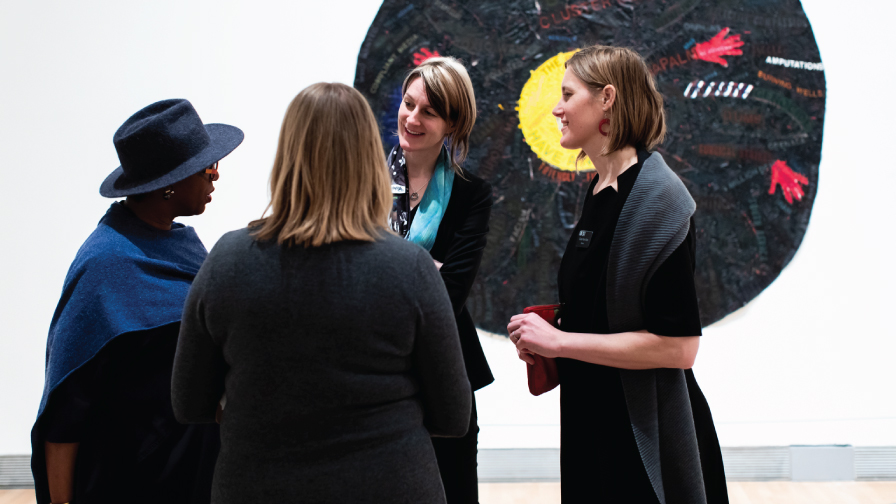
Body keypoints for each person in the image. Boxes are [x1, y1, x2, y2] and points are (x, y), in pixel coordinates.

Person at [171, 82, 472, 504]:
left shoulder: (228, 260)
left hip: (258, 487)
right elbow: (454, 415)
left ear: (288, 157)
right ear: (369, 158)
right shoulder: (410, 268)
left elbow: (188, 402)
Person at [507, 45, 729, 503]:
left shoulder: (660, 199)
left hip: (641, 429)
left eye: (568, 94)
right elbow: (605, 311)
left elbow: (679, 347)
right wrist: (549, 334)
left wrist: (561, 343)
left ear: (606, 98)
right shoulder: (600, 187)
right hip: (594, 418)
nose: (557, 108)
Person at [31, 98, 244, 504]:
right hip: (130, 483)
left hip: (193, 477)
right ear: (169, 184)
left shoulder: (182, 246)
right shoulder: (105, 266)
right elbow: (64, 413)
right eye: (204, 166)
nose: (216, 173)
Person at [387, 56, 493, 503]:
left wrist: (384, 268)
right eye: (409, 104)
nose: (412, 118)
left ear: (453, 123)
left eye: (428, 112)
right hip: (375, 369)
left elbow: (449, 296)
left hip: (443, 370)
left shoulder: (472, 194)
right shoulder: (360, 178)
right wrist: (422, 270)